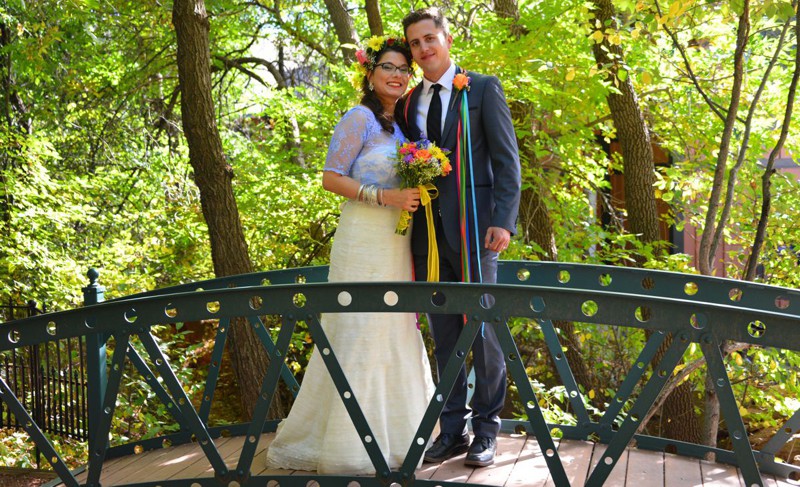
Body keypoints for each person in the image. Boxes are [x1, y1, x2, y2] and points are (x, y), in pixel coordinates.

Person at [265, 36, 436, 474]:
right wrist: (385, 197)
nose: (397, 75)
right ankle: (349, 445)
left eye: (404, 69)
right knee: (359, 329)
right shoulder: (358, 118)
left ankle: (401, 437)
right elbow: (329, 178)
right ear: (370, 72)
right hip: (363, 238)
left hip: (398, 244)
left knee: (394, 329)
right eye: (389, 68)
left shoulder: (408, 127)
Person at [395, 7, 521, 468]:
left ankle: (487, 431)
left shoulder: (482, 89)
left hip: (477, 231)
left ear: (447, 38)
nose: (424, 48)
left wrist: (504, 221)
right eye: (415, 43)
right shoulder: (410, 103)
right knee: (444, 333)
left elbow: (507, 162)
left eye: (430, 38)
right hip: (428, 234)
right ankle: (452, 430)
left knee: (483, 332)